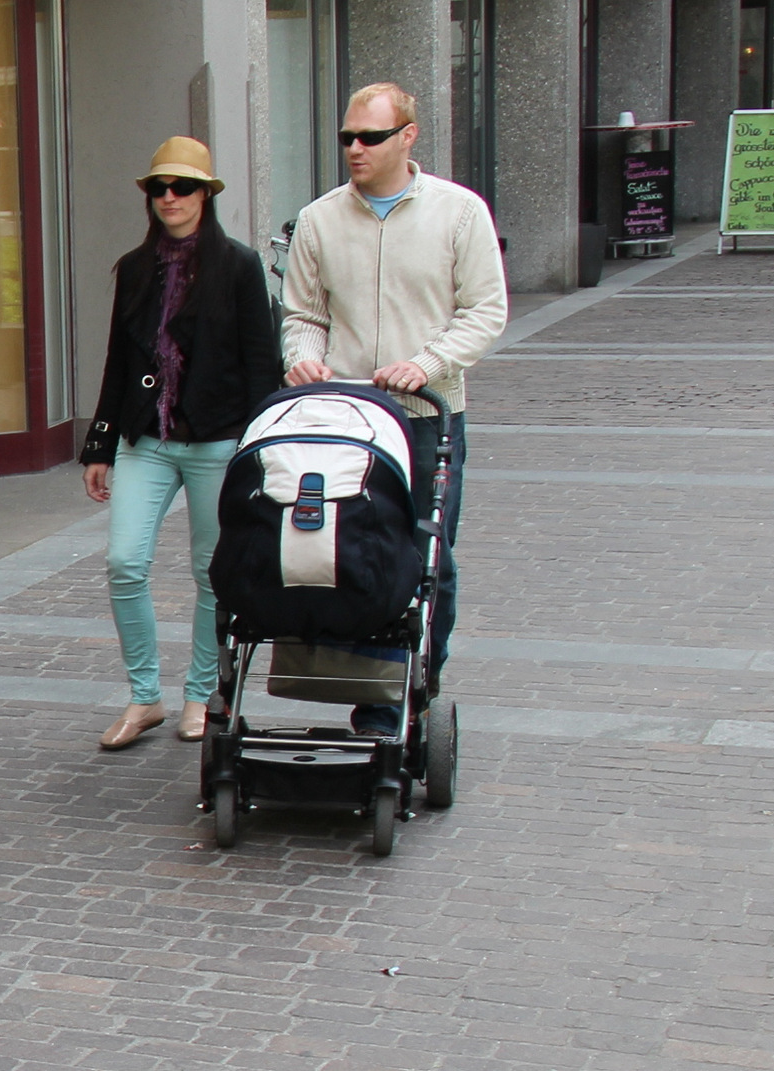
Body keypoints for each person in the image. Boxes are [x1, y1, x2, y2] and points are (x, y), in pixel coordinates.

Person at [281, 82, 506, 737]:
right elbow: (304, 315)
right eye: (347, 137)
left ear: (408, 136)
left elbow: (485, 310)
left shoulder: (459, 213)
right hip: (347, 416)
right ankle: (368, 692)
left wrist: (427, 363)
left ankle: (412, 692)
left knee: (425, 555)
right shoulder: (319, 219)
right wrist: (303, 357)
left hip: (426, 414)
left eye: (370, 137)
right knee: (347, 549)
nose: (355, 148)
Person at [80, 136, 279, 750]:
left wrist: (259, 447)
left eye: (183, 187)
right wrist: (100, 444)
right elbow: (118, 360)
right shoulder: (135, 267)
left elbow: (261, 365)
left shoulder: (239, 266)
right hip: (147, 438)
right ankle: (145, 697)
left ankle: (201, 693)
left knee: (212, 571)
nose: (170, 198)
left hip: (219, 441)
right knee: (124, 562)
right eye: (159, 188)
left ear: (205, 195)